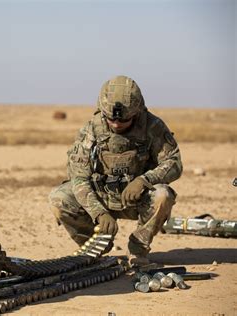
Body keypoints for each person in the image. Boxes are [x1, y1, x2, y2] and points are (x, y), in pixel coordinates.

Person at [49, 75, 183, 267]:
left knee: (163, 195)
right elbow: (79, 178)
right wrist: (98, 213)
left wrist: (144, 180)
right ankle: (95, 247)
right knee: (59, 198)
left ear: (136, 113)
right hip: (101, 197)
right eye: (111, 118)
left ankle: (138, 248)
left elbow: (174, 163)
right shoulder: (91, 130)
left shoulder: (152, 126)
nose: (117, 124)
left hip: (137, 199)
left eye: (124, 119)